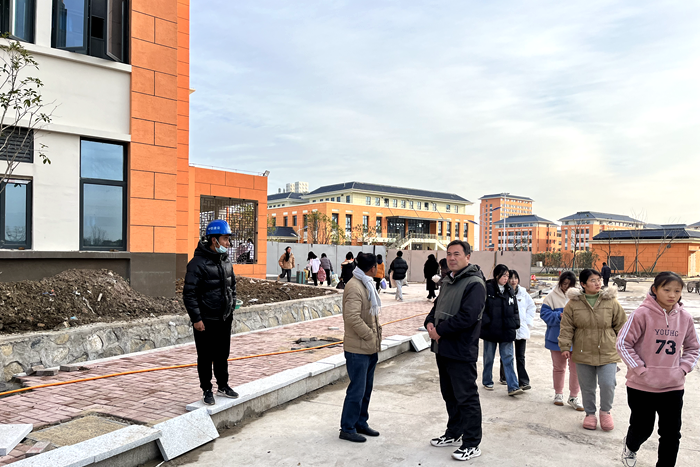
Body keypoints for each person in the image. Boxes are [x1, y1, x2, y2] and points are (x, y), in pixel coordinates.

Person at [617, 272, 700, 467]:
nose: (672, 295)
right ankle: (631, 446)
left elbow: (693, 348)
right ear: (655, 289)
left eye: (677, 291)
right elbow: (623, 343)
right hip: (641, 386)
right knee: (642, 428)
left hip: (673, 386)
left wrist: (683, 369)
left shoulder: (685, 318)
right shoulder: (641, 314)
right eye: (667, 289)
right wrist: (640, 369)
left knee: (671, 433)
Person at [424, 240, 486, 462]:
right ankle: (454, 432)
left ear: (468, 257)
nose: (451, 258)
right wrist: (429, 323)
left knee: (466, 397)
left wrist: (440, 331)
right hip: (443, 348)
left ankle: (472, 443)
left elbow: (468, 317)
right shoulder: (448, 280)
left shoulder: (475, 283)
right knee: (449, 394)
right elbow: (436, 308)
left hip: (461, 349)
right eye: (449, 254)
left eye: (457, 254)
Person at [559, 268, 627, 431]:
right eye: (593, 280)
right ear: (583, 284)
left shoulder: (611, 301)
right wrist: (565, 346)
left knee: (608, 383)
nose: (598, 283)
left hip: (607, 351)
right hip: (583, 351)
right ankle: (590, 414)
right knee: (587, 386)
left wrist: (625, 346)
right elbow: (567, 327)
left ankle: (605, 412)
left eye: (599, 279)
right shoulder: (573, 304)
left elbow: (622, 325)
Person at [183, 219, 239, 405]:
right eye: (225, 239)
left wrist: (231, 306)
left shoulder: (225, 261)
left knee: (222, 354)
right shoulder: (197, 264)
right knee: (206, 356)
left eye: (228, 239)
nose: (228, 243)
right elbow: (189, 294)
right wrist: (196, 319)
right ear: (214, 240)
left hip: (224, 318)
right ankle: (206, 389)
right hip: (206, 320)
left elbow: (232, 287)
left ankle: (223, 385)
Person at [339, 252, 383, 443]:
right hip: (358, 349)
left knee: (366, 389)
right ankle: (347, 428)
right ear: (372, 268)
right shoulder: (355, 286)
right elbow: (352, 317)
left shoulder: (366, 283)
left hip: (369, 347)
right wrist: (369, 335)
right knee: (357, 390)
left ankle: (360, 422)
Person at [540, 271, 584, 411]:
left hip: (576, 340)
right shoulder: (551, 297)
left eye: (569, 284)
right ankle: (558, 393)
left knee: (576, 369)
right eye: (564, 284)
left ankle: (574, 396)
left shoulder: (579, 297)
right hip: (556, 338)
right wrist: (559, 316)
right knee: (559, 368)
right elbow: (544, 314)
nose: (566, 287)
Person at [480, 264, 522, 396]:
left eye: (507, 276)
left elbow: (515, 309)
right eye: (504, 275)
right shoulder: (488, 288)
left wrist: (516, 323)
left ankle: (513, 386)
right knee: (489, 358)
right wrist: (486, 322)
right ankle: (487, 380)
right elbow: (481, 307)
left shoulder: (509, 290)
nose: (506, 278)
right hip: (491, 329)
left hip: (507, 329)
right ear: (497, 275)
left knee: (508, 358)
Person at [498, 270, 536, 390]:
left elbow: (531, 307)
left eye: (515, 278)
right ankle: (504, 376)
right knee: (507, 355)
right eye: (511, 278)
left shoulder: (523, 293)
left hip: (521, 328)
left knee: (520, 356)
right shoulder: (503, 292)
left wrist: (527, 321)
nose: (513, 280)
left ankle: (523, 381)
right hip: (507, 328)